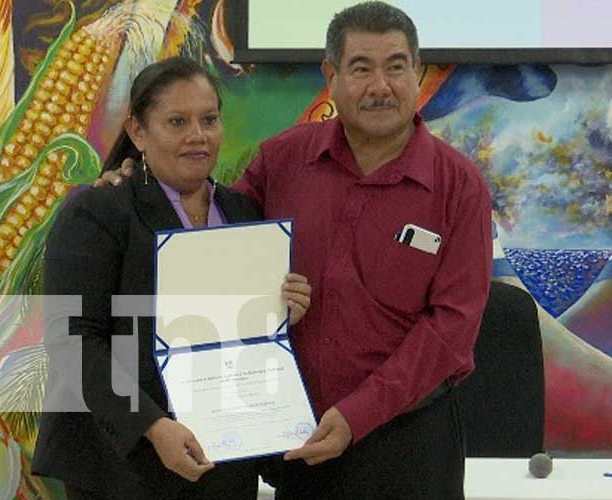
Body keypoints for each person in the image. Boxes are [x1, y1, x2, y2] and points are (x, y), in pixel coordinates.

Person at [99, 2, 493, 499]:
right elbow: (212, 241)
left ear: (417, 73)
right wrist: (137, 184)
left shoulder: (459, 185)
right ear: (331, 76)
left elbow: (452, 329)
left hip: (410, 444)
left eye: (396, 66)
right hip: (297, 442)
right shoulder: (283, 160)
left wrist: (359, 413)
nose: (380, 86)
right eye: (360, 68)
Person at [31, 56, 312, 500]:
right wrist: (151, 425)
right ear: (138, 132)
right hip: (121, 468)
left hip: (224, 462)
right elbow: (72, 339)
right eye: (177, 121)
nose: (197, 136)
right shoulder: (98, 211)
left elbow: (246, 333)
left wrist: (282, 309)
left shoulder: (243, 213)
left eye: (209, 119)